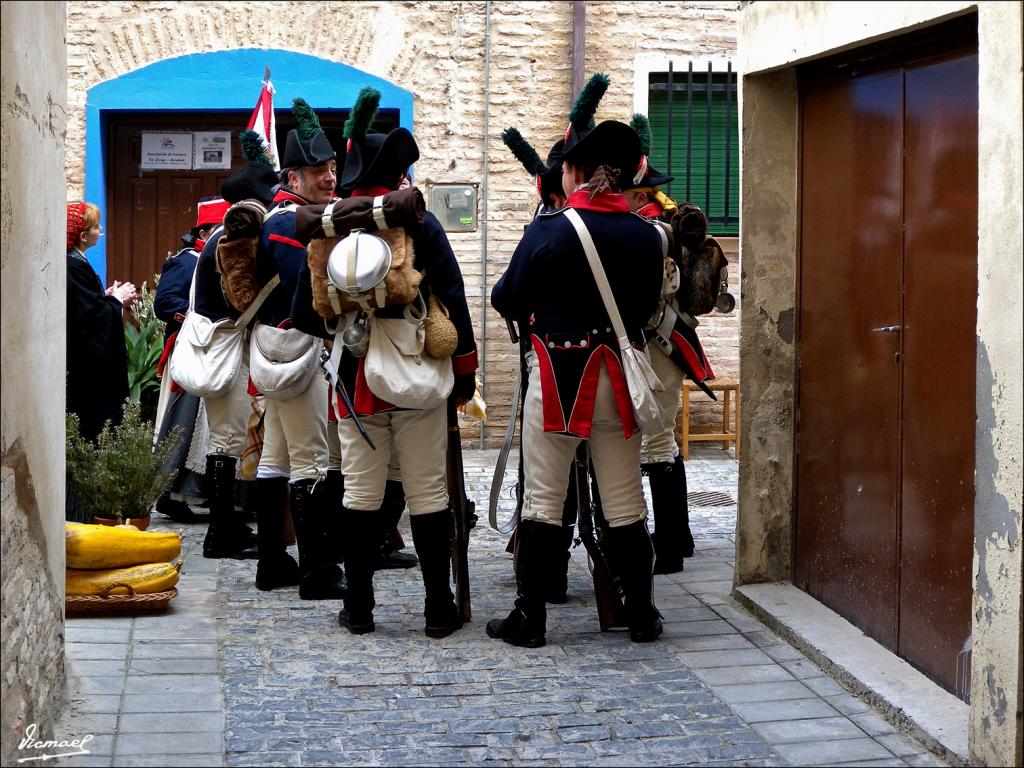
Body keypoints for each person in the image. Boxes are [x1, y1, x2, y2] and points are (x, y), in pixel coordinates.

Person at [293, 86, 478, 637]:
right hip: (418, 371)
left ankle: (361, 609)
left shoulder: (330, 226)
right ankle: (438, 607)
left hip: (354, 377)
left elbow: (306, 314)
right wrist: (463, 372)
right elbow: (454, 296)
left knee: (360, 493)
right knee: (427, 490)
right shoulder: (420, 223)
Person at [488, 74, 666, 647]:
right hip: (619, 377)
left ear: (574, 173)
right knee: (624, 501)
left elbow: (506, 298)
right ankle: (642, 615)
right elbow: (642, 310)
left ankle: (530, 618)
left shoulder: (551, 230)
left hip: (559, 378)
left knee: (543, 499)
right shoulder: (649, 237)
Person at [242, 100, 347, 600]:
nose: (328, 178)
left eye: (331, 169)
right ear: (294, 175)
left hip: (276, 349)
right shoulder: (292, 222)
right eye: (316, 171)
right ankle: (318, 569)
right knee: (312, 459)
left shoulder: (286, 216)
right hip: (300, 347)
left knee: (276, 458)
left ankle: (272, 563)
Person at [191, 141, 280, 561]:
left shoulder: (221, 234)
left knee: (223, 438)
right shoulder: (238, 231)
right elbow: (242, 298)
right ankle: (220, 532)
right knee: (225, 440)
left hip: (219, 342)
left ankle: (225, 525)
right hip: (227, 343)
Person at [620, 113, 701, 573]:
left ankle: (669, 546)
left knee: (656, 444)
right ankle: (678, 536)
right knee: (661, 440)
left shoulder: (653, 231)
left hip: (657, 345)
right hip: (661, 346)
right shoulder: (659, 225)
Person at [153, 196, 231, 523]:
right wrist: (199, 320)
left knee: (208, 431)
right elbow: (164, 303)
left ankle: (200, 491)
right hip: (192, 351)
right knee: (183, 425)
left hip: (216, 351)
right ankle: (171, 493)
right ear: (207, 229)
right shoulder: (186, 261)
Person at [66, 202, 137, 443]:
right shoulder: (74, 266)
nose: (101, 230)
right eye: (96, 227)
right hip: (88, 368)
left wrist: (105, 298)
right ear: (83, 236)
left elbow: (88, 305)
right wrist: (116, 300)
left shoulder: (76, 263)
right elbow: (89, 317)